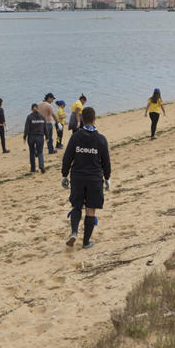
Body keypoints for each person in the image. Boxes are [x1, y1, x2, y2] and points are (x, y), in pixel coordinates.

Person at [61, 107, 111, 250]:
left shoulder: (76, 137)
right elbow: (106, 162)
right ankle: (86, 242)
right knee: (90, 209)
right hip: (94, 179)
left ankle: (74, 232)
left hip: (78, 177)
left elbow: (67, 157)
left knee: (76, 206)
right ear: (94, 119)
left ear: (82, 119)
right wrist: (107, 178)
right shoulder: (101, 139)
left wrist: (64, 174)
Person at [24, 103, 47, 173]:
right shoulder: (43, 117)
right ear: (38, 108)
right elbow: (45, 128)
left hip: (31, 137)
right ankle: (41, 165)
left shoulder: (29, 117)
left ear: (31, 109)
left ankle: (33, 169)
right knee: (40, 152)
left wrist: (24, 137)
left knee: (31, 153)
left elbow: (27, 128)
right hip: (40, 137)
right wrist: (47, 137)